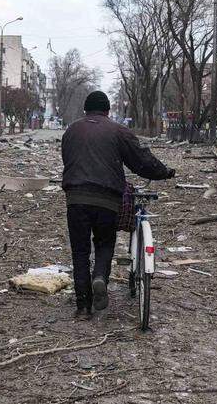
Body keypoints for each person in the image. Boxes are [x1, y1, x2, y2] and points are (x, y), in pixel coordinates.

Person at [61, 90, 175, 320]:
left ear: (86, 109)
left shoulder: (72, 130)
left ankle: (83, 306)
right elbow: (140, 160)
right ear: (107, 110)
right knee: (104, 243)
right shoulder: (118, 131)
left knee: (80, 251)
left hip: (76, 198)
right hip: (107, 199)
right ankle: (100, 276)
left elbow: (68, 158)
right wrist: (164, 172)